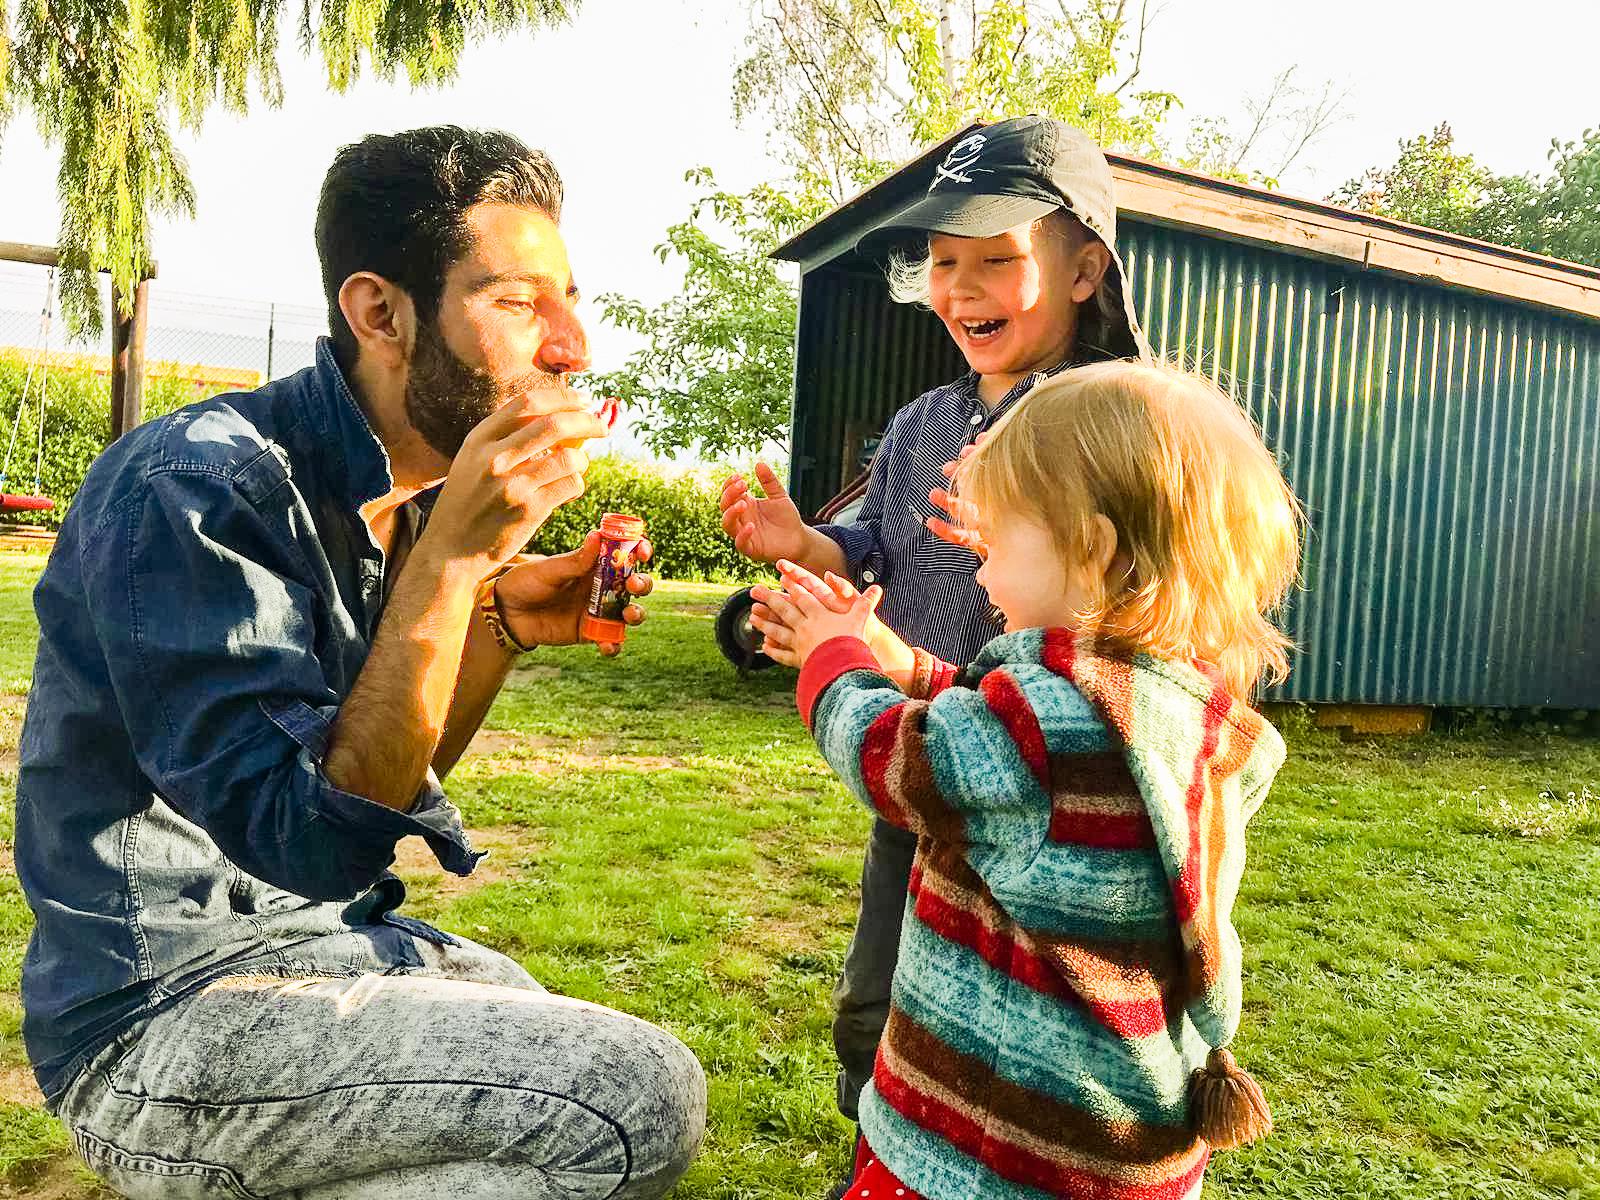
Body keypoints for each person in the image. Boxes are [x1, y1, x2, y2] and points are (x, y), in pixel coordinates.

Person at [14, 126, 706, 1199]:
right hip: (159, 1013)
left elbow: (387, 777)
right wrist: (455, 563)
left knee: (555, 1037)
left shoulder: (407, 498)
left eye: (568, 298)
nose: (572, 343)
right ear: (380, 312)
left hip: (323, 945)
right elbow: (312, 839)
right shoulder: (196, 484)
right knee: (626, 1097)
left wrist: (496, 622)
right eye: (518, 302)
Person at [749, 360, 1301, 1200]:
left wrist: (837, 659)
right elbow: (1005, 739)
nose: (979, 572)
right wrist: (909, 658)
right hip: (1113, 1149)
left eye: (999, 543)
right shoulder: (1170, 711)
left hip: (987, 1157)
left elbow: (898, 759)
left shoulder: (1045, 729)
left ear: (1093, 548)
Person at [717, 115, 1149, 1185]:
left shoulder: (1123, 425)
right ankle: (886, 1156)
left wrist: (1044, 551)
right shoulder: (922, 423)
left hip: (1060, 805)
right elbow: (876, 548)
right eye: (942, 262)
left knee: (1026, 1050)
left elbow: (1164, 599)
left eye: (996, 259)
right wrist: (806, 545)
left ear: (1085, 267)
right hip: (921, 765)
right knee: (878, 1006)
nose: (960, 287)